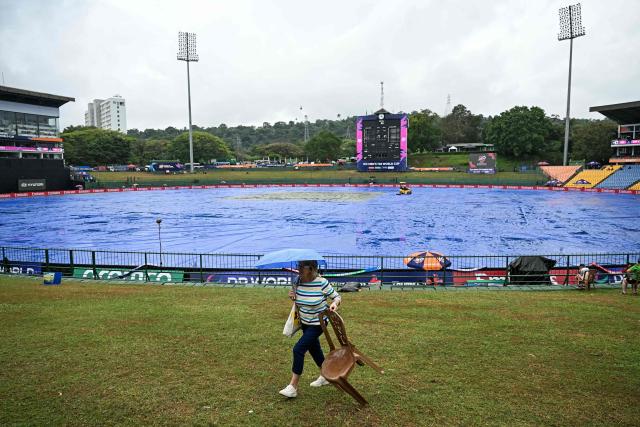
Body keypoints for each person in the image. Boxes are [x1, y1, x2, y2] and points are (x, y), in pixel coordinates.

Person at [279, 260, 341, 398]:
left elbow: (337, 296)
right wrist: (292, 297)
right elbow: (298, 299)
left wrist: (334, 304)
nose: (298, 269)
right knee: (314, 349)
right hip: (305, 322)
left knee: (298, 349)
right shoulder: (297, 281)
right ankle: (325, 376)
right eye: (298, 266)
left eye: (301, 267)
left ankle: (293, 386)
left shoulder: (321, 282)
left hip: (319, 323)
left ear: (311, 268)